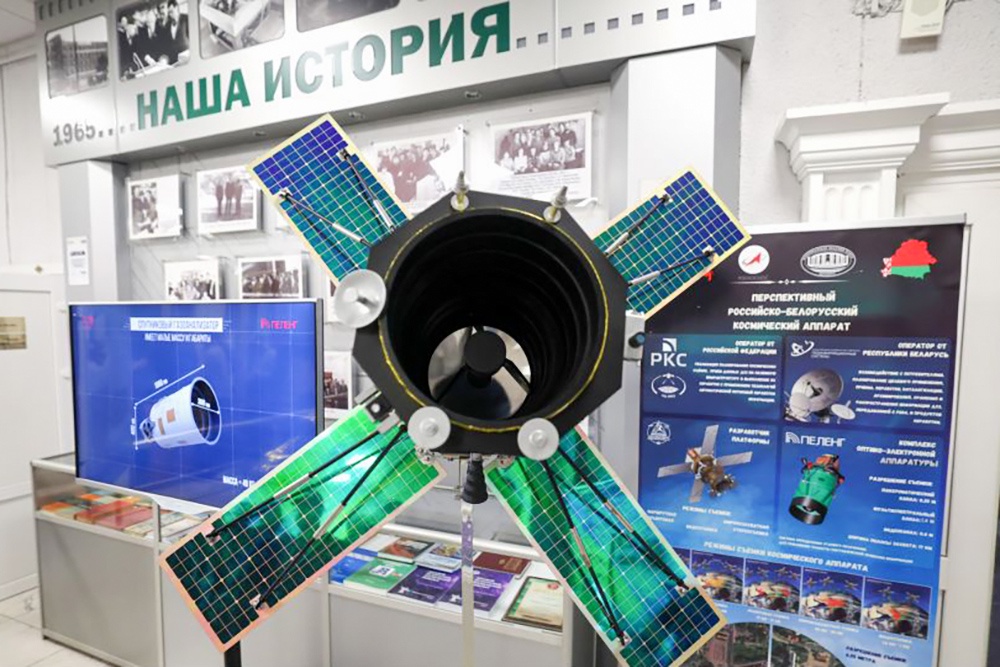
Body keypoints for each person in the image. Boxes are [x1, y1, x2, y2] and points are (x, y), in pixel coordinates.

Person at [163, 0, 189, 65]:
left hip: (186, 57)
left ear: (177, 8)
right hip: (174, 60)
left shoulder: (186, 18)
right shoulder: (167, 25)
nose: (170, 15)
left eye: (171, 11)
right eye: (169, 13)